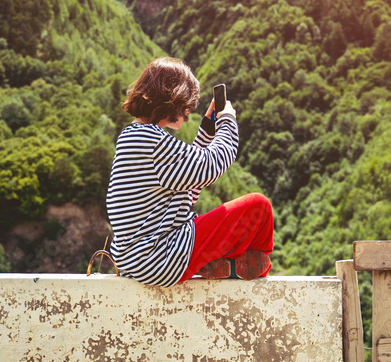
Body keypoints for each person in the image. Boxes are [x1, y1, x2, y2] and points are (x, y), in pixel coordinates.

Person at [105, 57, 273, 286]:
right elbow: (213, 164)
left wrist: (208, 128)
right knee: (259, 205)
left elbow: (189, 184)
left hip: (137, 260)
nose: (187, 115)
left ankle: (226, 265)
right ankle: (248, 263)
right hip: (160, 258)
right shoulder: (153, 141)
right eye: (186, 108)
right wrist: (227, 121)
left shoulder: (132, 137)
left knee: (249, 208)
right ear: (172, 99)